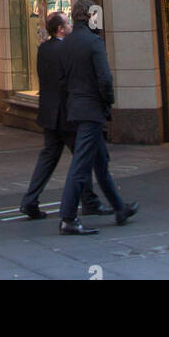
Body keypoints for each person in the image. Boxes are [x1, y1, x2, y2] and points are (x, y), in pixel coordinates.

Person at [57, 0, 138, 235]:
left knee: (100, 162)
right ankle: (68, 217)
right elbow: (105, 79)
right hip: (92, 111)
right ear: (89, 16)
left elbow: (61, 80)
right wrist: (108, 101)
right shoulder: (94, 43)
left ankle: (119, 208)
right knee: (81, 166)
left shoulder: (66, 44)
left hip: (76, 108)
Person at [19, 12, 109, 221]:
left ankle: (29, 201)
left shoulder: (44, 49)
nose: (70, 25)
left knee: (48, 159)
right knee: (81, 159)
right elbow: (68, 81)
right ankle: (89, 202)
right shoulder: (65, 50)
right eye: (67, 23)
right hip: (67, 115)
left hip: (49, 114)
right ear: (60, 29)